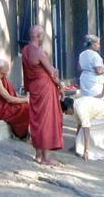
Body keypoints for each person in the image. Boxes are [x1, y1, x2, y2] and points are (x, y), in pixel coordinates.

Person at [21, 25, 64, 166]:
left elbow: (26, 73)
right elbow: (52, 72)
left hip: (34, 88)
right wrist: (60, 85)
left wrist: (27, 89)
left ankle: (38, 155)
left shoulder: (25, 51)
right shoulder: (39, 52)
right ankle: (46, 158)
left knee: (37, 120)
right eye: (43, 36)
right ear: (39, 36)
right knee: (47, 121)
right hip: (45, 88)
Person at [62, 96, 104, 161]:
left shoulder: (80, 109)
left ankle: (91, 152)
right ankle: (83, 149)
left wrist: (86, 151)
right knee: (83, 132)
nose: (67, 114)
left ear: (69, 108)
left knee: (87, 131)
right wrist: (75, 143)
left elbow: (87, 128)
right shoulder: (76, 104)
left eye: (66, 112)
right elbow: (79, 125)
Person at [0, 59, 30, 139]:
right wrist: (26, 100)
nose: (8, 70)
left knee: (26, 105)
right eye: (7, 68)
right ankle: (21, 133)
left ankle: (25, 132)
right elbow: (9, 98)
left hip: (5, 105)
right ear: (1, 70)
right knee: (25, 107)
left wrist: (26, 98)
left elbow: (14, 94)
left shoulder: (2, 78)